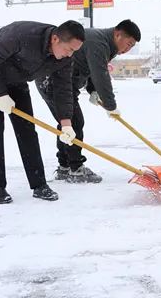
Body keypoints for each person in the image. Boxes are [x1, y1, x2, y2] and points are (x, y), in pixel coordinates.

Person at [0, 20, 85, 204]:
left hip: (16, 79)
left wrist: (66, 123)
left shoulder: (65, 58)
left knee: (27, 129)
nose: (70, 54)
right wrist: (1, 95)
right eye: (69, 49)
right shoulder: (21, 35)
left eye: (74, 51)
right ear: (55, 39)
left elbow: (63, 90)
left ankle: (39, 185)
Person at [36, 19, 140, 184]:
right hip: (54, 82)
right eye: (128, 44)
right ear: (118, 34)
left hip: (64, 83)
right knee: (74, 122)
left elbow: (90, 67)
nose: (128, 49)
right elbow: (100, 74)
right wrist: (110, 105)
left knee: (67, 124)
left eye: (132, 47)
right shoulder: (99, 42)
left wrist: (93, 90)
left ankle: (65, 167)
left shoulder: (105, 43)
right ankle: (75, 169)